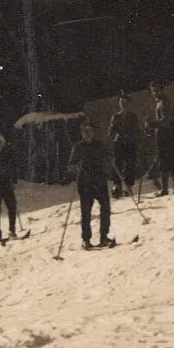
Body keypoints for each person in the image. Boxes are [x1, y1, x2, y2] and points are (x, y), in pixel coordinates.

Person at [69, 119, 116, 248]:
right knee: (86, 212)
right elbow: (71, 166)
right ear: (82, 133)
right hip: (85, 184)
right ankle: (86, 239)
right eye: (85, 131)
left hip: (99, 181)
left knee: (105, 208)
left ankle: (104, 237)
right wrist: (76, 167)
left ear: (93, 132)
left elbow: (108, 159)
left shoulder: (100, 146)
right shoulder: (78, 147)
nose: (88, 134)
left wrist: (109, 161)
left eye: (90, 131)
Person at [148, 84, 174, 195]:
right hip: (167, 133)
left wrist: (152, 123)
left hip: (165, 134)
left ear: (162, 90)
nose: (155, 93)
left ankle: (166, 188)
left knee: (165, 160)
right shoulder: (161, 102)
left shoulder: (164, 103)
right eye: (153, 91)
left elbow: (165, 120)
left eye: (157, 90)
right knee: (168, 159)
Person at [109, 93, 141, 197]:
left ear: (129, 104)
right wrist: (109, 140)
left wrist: (133, 136)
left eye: (126, 102)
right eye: (121, 102)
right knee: (118, 164)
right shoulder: (116, 116)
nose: (124, 104)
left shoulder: (133, 116)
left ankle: (129, 187)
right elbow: (112, 131)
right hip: (119, 143)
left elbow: (136, 130)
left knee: (130, 164)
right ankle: (117, 186)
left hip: (131, 143)